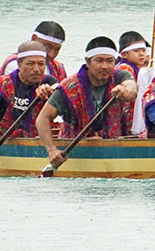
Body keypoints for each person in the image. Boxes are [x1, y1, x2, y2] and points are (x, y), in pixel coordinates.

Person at [36, 37, 137, 169]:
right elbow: (42, 119)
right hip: (74, 152)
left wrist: (124, 91)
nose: (105, 66)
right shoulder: (68, 87)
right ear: (87, 62)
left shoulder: (120, 76)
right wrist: (52, 150)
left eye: (110, 61)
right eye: (99, 60)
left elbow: (132, 89)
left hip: (114, 149)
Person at [0, 41, 58, 170]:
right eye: (30, 64)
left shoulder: (48, 81)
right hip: (3, 144)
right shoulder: (2, 84)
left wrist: (51, 91)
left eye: (41, 64)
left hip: (37, 143)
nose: (37, 69)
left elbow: (57, 88)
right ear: (19, 64)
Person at [0, 21, 67, 82]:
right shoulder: (15, 64)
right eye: (48, 47)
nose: (51, 54)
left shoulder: (58, 69)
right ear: (34, 38)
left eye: (57, 49)